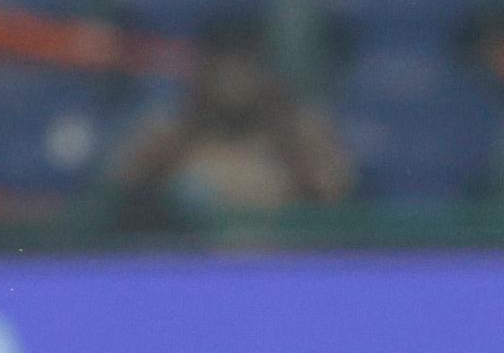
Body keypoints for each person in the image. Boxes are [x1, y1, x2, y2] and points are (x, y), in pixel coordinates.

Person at [110, 20, 353, 236]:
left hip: (284, 261)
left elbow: (338, 200)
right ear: (205, 71)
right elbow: (115, 196)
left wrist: (296, 153)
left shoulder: (299, 129)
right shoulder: (171, 130)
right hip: (192, 264)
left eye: (244, 67)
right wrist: (159, 161)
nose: (233, 81)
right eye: (223, 68)